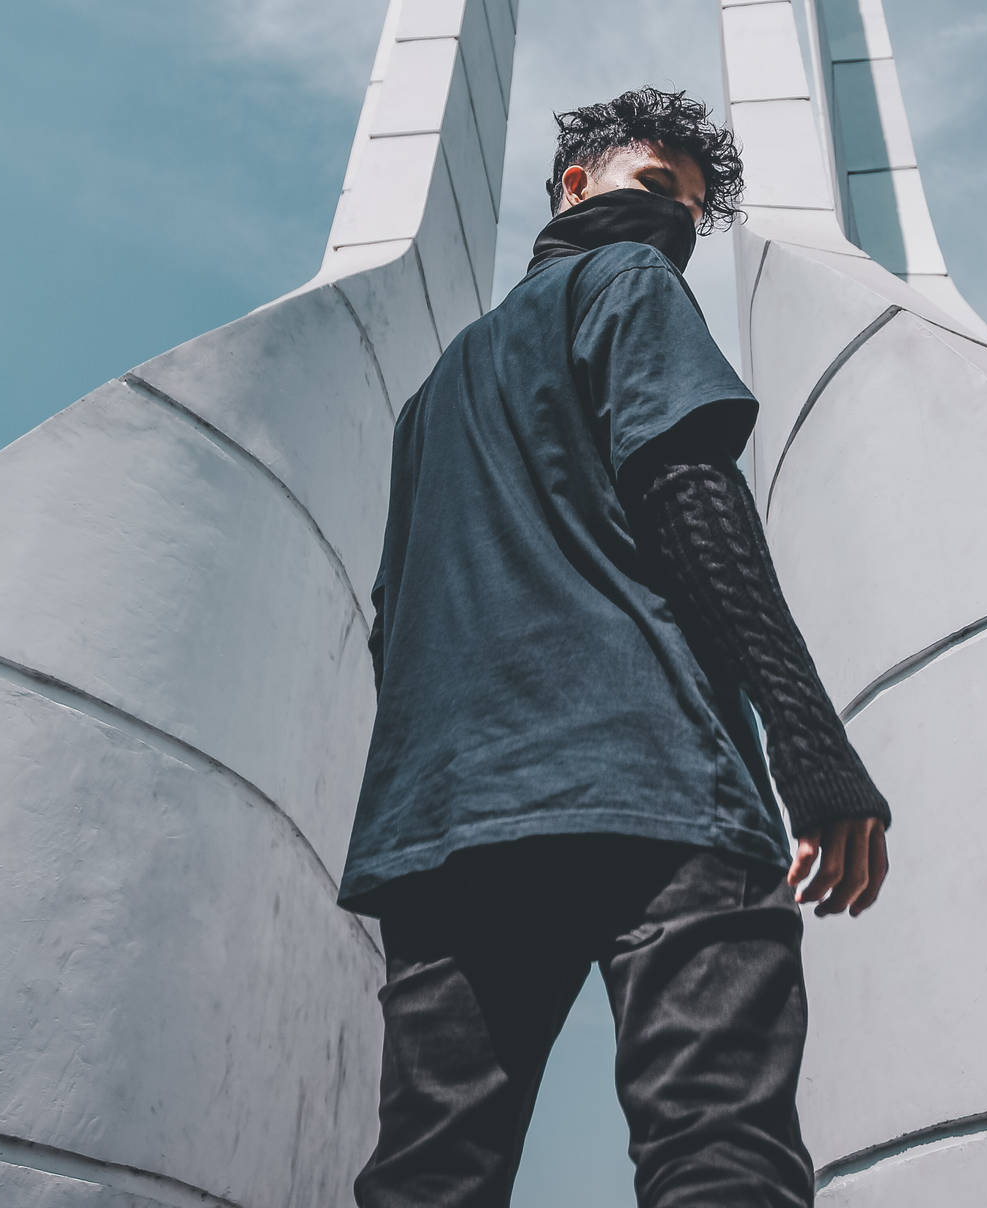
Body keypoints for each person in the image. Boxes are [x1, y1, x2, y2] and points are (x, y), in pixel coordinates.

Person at [338, 85, 891, 1208]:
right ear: (574, 185)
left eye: (691, 212)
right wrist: (810, 747)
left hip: (447, 829)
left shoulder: (431, 397)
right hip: (653, 787)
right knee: (717, 1149)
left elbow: (391, 623)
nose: (675, 227)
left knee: (429, 1175)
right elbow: (690, 496)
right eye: (655, 190)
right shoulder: (627, 281)